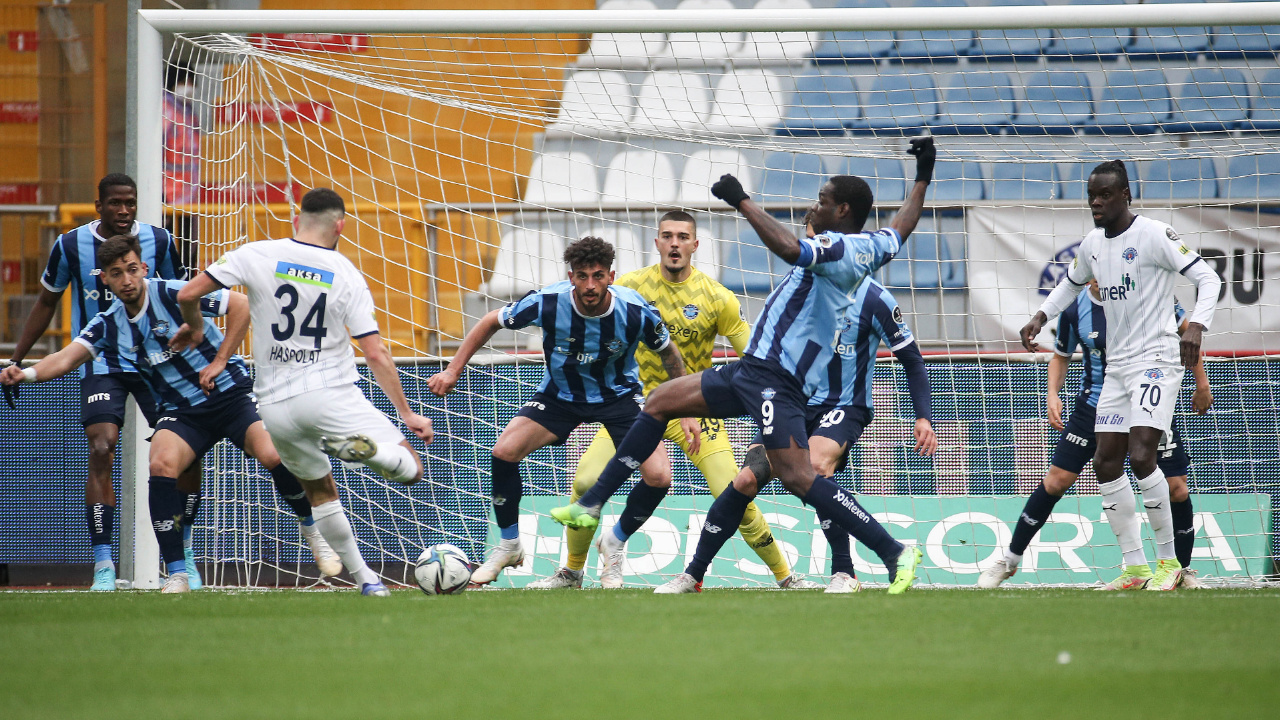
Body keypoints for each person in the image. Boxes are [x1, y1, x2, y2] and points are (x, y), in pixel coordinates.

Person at [551, 137, 937, 595]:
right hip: (751, 371)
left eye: (823, 201)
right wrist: (924, 175)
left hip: (776, 379)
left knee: (799, 477)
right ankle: (592, 505)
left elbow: (791, 250)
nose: (816, 206)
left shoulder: (837, 249)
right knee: (659, 402)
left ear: (844, 211)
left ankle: (892, 551)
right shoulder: (874, 245)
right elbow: (903, 225)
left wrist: (742, 201)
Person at [1, 235, 337, 593]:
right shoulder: (107, 324)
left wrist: (220, 361)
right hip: (182, 411)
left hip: (229, 396)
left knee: (273, 453)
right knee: (160, 465)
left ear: (144, 268)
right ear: (105, 279)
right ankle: (177, 572)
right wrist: (27, 372)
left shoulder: (178, 293)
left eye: (132, 270)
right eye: (117, 274)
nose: (127, 280)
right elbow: (67, 358)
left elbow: (241, 304)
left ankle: (312, 530)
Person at [529, 211, 815, 590]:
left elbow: (754, 359)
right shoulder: (629, 289)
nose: (675, 243)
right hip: (635, 409)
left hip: (698, 410)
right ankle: (572, 571)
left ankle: (785, 577)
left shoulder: (718, 298)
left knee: (737, 493)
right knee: (584, 481)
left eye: (683, 236)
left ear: (695, 245)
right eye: (668, 236)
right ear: (657, 243)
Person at [654, 213, 938, 594]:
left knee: (815, 468)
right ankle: (693, 574)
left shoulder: (876, 299)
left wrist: (923, 416)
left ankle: (844, 571)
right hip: (793, 400)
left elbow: (913, 360)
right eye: (808, 240)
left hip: (844, 404)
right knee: (744, 480)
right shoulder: (802, 289)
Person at [173, 187, 434, 597]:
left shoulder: (255, 253)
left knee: (320, 492)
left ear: (297, 220)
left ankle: (367, 581)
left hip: (274, 407)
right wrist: (407, 414)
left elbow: (187, 294)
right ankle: (372, 453)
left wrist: (196, 326)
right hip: (327, 392)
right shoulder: (345, 272)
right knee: (413, 468)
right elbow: (375, 352)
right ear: (340, 225)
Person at [427, 236, 689, 586]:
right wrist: (452, 370)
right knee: (504, 451)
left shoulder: (635, 310)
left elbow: (669, 354)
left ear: (612, 276)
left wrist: (687, 410)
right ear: (571, 277)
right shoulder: (548, 303)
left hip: (620, 399)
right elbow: (490, 320)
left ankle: (615, 542)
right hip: (560, 396)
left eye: (598, 276)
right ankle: (508, 544)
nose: (590, 285)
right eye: (582, 276)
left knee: (659, 476)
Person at [1020, 160, 1220, 592]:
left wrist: (1198, 327)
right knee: (1104, 462)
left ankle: (1170, 563)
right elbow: (1071, 284)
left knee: (1143, 456)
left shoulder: (1153, 234)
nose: (1096, 201)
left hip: (1157, 359)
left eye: (1105, 194)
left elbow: (1209, 278)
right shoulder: (1092, 243)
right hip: (1118, 366)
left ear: (1126, 194)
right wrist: (1040, 315)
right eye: (1092, 194)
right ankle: (1135, 567)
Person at [4, 174, 192, 591]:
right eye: (115, 204)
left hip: (155, 361)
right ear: (99, 207)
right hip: (100, 360)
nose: (124, 211)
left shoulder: (160, 241)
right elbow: (46, 302)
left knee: (186, 452)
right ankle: (104, 563)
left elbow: (181, 297)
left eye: (131, 203)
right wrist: (17, 360)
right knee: (102, 446)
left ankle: (185, 554)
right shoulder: (70, 246)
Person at [983, 283, 1213, 590]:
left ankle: (1181, 570)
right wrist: (1052, 394)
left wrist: (1202, 384)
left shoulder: (1148, 292)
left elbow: (1188, 336)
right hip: (1094, 405)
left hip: (1148, 399)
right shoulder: (1075, 307)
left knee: (1177, 489)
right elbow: (1061, 356)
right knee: (1056, 480)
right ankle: (1009, 561)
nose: (1097, 277)